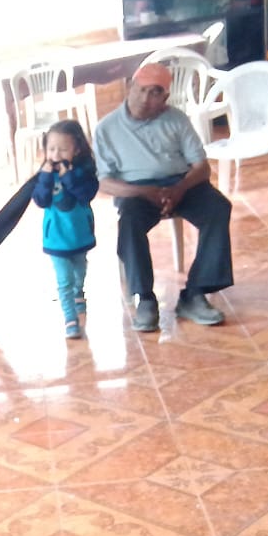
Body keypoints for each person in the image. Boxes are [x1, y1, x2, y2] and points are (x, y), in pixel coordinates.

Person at [93, 62, 233, 333]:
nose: (146, 98)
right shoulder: (106, 128)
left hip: (180, 182)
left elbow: (201, 167)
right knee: (129, 222)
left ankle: (194, 293)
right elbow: (105, 181)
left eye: (155, 92)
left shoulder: (176, 120)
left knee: (218, 208)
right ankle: (145, 298)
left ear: (166, 97)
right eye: (141, 89)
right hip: (136, 189)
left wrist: (180, 188)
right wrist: (143, 191)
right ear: (129, 87)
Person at [31, 119, 98, 340]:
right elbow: (40, 200)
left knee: (80, 270)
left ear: (76, 149)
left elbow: (86, 195)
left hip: (80, 234)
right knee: (64, 279)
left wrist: (68, 177)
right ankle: (70, 318)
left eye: (62, 149)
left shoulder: (84, 172)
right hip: (56, 237)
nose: (56, 154)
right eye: (51, 149)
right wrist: (45, 178)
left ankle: (79, 292)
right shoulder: (45, 174)